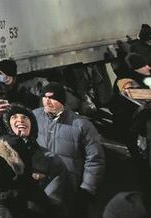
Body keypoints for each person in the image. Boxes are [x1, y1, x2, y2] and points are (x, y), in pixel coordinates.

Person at [33, 81, 103, 217]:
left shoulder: (81, 125)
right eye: (45, 97)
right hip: (41, 186)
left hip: (69, 188)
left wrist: (87, 188)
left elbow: (95, 159)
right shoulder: (34, 116)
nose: (47, 101)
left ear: (62, 100)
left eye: (52, 98)